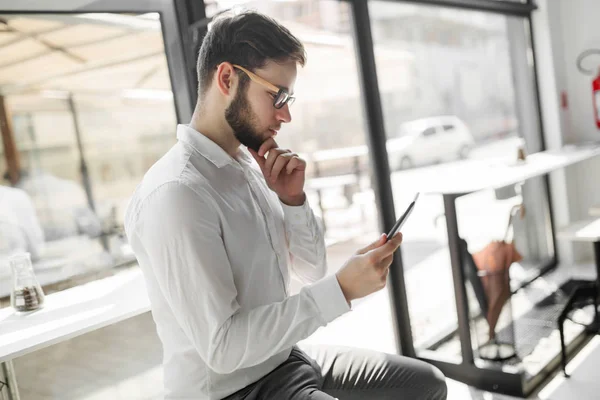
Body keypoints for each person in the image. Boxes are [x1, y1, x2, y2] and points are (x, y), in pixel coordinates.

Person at [124, 10, 447, 400]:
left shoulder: (247, 164)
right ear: (227, 78)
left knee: (427, 385)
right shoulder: (177, 194)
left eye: (288, 97)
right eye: (276, 95)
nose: (286, 114)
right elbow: (223, 348)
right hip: (232, 391)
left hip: (285, 360)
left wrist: (293, 201)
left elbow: (311, 270)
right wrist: (342, 290)